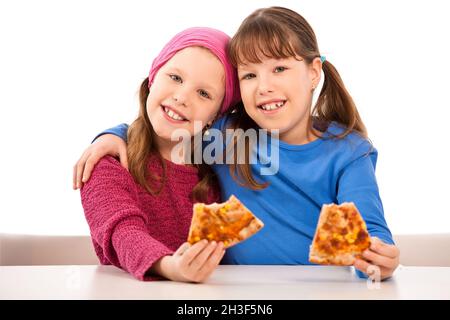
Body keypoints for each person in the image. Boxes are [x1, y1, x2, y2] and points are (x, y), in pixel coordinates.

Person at [74, 7, 400, 281]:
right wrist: (114, 134)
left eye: (280, 68)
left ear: (314, 72)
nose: (264, 87)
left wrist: (379, 259)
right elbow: (168, 120)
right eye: (249, 75)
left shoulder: (349, 151)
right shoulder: (227, 136)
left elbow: (371, 230)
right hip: (234, 293)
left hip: (323, 290)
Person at [78, 27, 240, 282]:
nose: (181, 97)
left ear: (216, 116)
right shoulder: (108, 162)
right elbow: (123, 233)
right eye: (175, 78)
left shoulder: (217, 172)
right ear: (153, 76)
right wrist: (170, 267)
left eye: (204, 93)